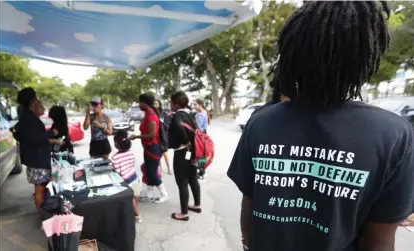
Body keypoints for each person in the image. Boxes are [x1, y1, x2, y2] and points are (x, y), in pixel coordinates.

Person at [227, 2, 414, 251]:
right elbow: (378, 242)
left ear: (293, 51)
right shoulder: (393, 135)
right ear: (366, 54)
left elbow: (249, 211)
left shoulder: (261, 122)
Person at [14, 87, 62, 218]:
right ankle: (43, 216)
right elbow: (34, 138)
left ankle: (44, 213)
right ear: (33, 101)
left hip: (34, 158)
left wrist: (51, 140)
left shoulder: (24, 117)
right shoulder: (29, 119)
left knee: (41, 186)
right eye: (37, 100)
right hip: (37, 160)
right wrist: (51, 133)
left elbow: (21, 136)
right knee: (40, 188)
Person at [168, 91, 201, 221]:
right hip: (193, 152)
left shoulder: (178, 116)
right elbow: (198, 132)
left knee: (182, 181)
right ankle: (197, 205)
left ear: (175, 104)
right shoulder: (191, 115)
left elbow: (177, 128)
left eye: (171, 103)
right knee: (193, 178)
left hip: (182, 152)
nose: (170, 105)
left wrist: (184, 139)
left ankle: (184, 213)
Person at [130, 93, 168, 203]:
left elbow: (152, 134)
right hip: (148, 147)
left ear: (144, 103)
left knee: (152, 173)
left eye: (139, 102)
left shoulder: (151, 115)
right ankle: (149, 194)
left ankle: (164, 193)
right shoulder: (148, 113)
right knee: (149, 170)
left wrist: (136, 136)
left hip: (153, 148)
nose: (138, 105)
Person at [111, 130, 142, 223]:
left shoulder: (115, 157)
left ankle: (137, 216)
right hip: (135, 178)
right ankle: (134, 213)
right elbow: (132, 164)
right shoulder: (131, 153)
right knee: (135, 198)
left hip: (126, 182)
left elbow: (118, 173)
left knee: (131, 200)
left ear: (117, 144)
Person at [153, 99, 172, 175]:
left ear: (159, 104)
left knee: (165, 153)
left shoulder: (163, 113)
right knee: (157, 153)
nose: (155, 105)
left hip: (163, 136)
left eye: (156, 103)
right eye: (154, 103)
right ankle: (160, 169)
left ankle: (169, 168)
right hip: (155, 136)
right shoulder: (152, 113)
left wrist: (161, 124)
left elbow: (167, 126)